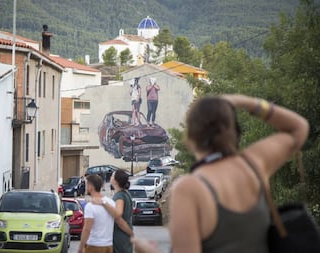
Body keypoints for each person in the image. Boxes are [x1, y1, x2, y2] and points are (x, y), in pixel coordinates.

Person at [132, 94, 309, 253]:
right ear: (234, 131)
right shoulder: (255, 163)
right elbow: (299, 128)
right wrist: (246, 102)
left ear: (191, 137)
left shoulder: (189, 188)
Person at [93, 169, 134, 253]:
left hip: (120, 236)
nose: (110, 177)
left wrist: (103, 202)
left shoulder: (119, 196)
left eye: (112, 176)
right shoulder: (126, 193)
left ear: (115, 181)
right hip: (124, 234)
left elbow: (118, 216)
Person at [78, 174, 115, 253]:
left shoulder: (90, 206)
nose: (86, 187)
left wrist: (81, 247)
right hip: (109, 245)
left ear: (90, 186)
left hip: (94, 245)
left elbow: (87, 229)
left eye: (86, 184)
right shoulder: (111, 202)